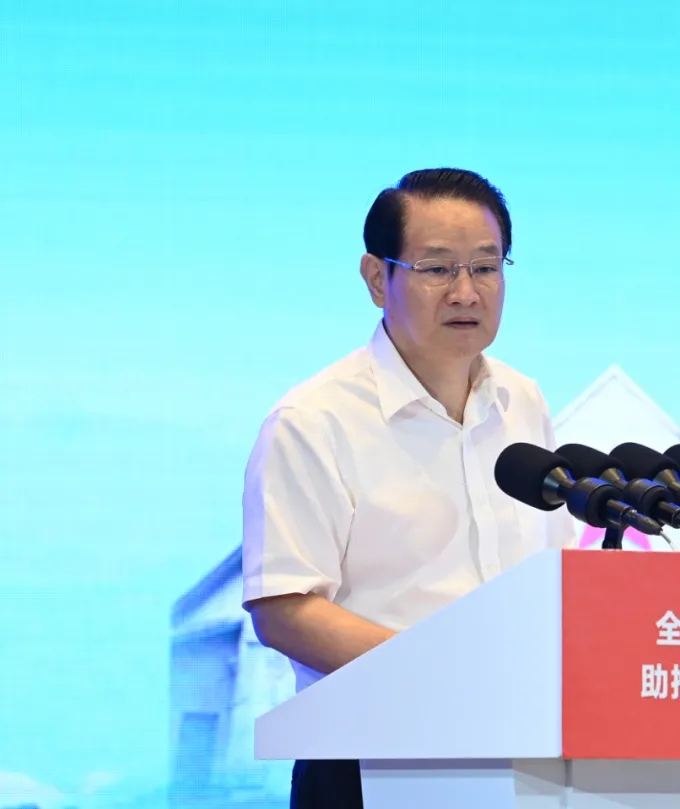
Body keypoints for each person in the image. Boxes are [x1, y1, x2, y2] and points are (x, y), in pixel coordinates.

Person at [239, 167, 577, 809]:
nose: (466, 292)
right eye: (437, 269)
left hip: (524, 757)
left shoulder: (522, 401)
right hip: (369, 763)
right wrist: (444, 676)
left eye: (486, 267)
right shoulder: (315, 420)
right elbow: (283, 607)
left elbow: (551, 573)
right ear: (377, 278)